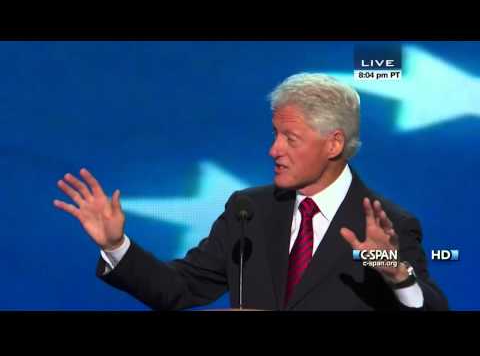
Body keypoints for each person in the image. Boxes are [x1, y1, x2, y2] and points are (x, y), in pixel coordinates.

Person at [53, 72, 448, 310]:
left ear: (333, 144)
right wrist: (117, 245)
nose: (273, 149)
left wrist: (398, 275)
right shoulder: (249, 211)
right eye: (275, 134)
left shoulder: (388, 224)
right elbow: (181, 289)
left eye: (290, 138)